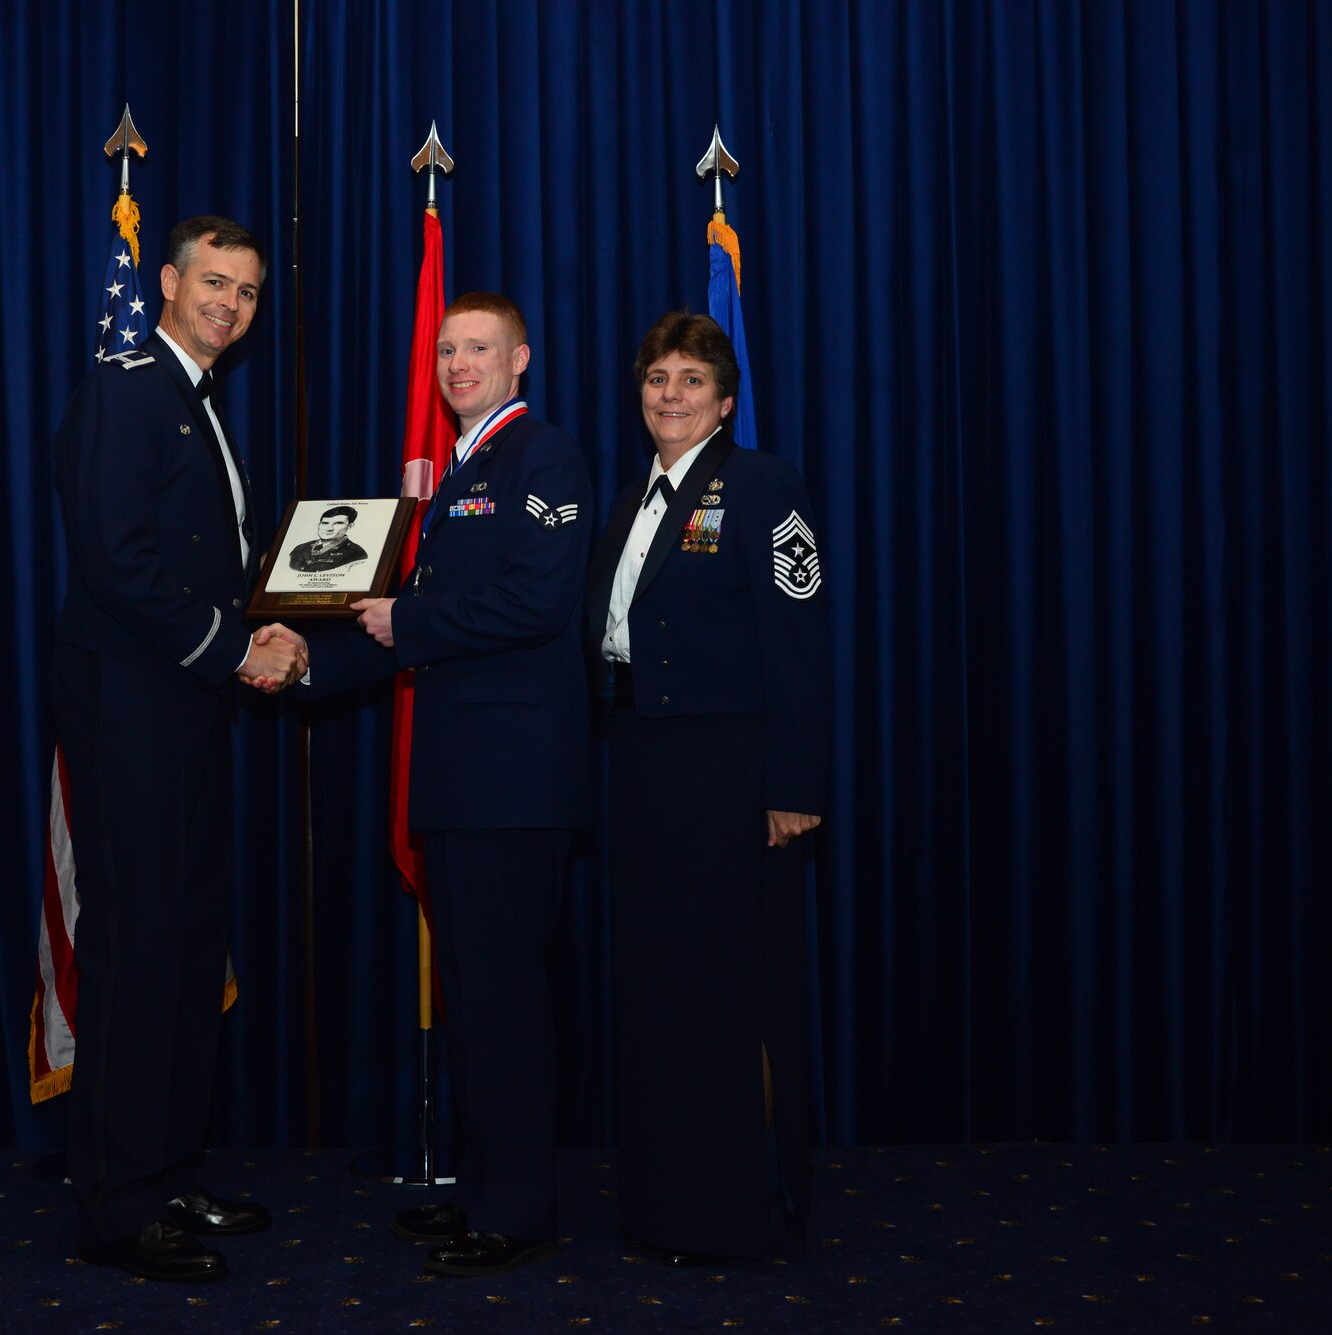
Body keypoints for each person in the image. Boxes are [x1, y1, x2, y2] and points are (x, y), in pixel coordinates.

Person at [299, 291, 592, 1277]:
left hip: (514, 783)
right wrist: (300, 658)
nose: (458, 364)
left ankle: (515, 1210)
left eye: (478, 348)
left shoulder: (541, 455)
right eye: (445, 350)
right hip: (461, 781)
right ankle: (483, 1185)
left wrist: (407, 627)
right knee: (470, 998)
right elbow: (399, 613)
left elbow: (536, 603)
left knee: (504, 1000)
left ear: (520, 361)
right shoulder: (457, 472)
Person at [48, 214, 308, 1284]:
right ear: (166, 280)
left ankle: (167, 1172)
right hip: (132, 706)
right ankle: (114, 1207)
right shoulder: (125, 386)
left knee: (190, 945)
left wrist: (281, 622)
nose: (228, 304)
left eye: (246, 292)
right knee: (138, 953)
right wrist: (235, 648)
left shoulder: (190, 401)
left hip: (185, 705)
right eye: (212, 282)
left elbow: (215, 563)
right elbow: (116, 564)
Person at [584, 311, 832, 1263]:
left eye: (692, 380)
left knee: (729, 993)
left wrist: (795, 783)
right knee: (658, 988)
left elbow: (800, 645)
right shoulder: (634, 497)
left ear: (726, 401)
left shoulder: (766, 486)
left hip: (735, 777)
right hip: (643, 765)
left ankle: (744, 1207)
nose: (671, 395)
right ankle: (664, 1201)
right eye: (657, 379)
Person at [286, 505, 370, 572]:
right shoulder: (300, 548)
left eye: (338, 523)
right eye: (325, 523)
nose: (329, 528)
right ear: (319, 525)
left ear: (350, 526)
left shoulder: (356, 553)